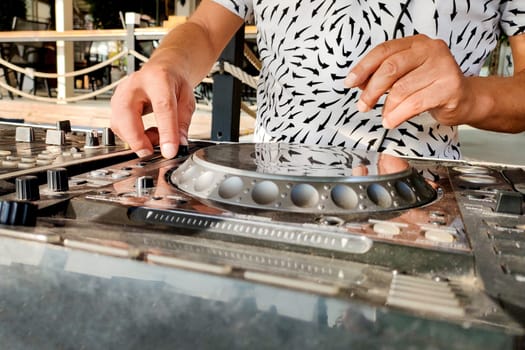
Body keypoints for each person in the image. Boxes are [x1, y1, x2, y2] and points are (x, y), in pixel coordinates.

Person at [110, 0, 525, 160]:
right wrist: (167, 63)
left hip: (423, 205)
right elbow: (203, 25)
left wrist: (469, 97)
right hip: (270, 197)